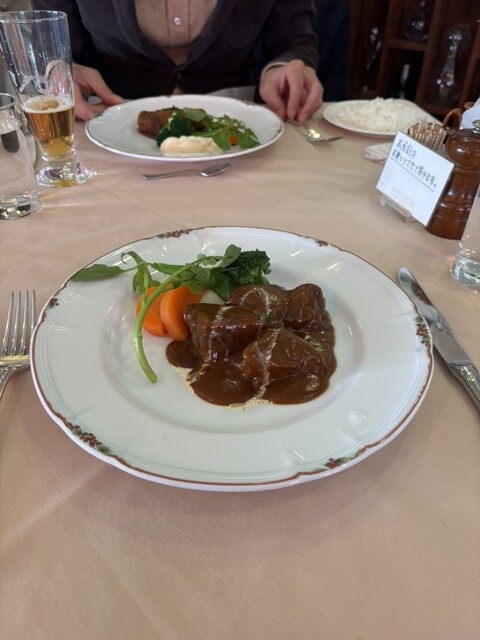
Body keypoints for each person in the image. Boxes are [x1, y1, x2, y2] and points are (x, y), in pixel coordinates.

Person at [31, 0, 323, 123]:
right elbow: (51, 45)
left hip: (235, 121)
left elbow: (292, 41)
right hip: (109, 121)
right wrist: (62, 71)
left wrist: (284, 67)